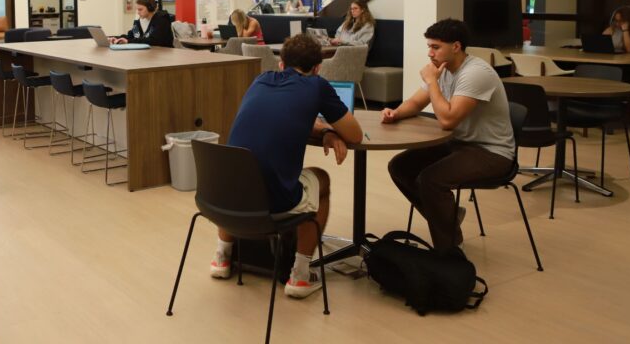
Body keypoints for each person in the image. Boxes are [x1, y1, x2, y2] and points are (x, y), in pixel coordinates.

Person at [210, 34, 363, 298]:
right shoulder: (316, 86)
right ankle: (301, 275)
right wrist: (329, 129)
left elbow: (284, 117)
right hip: (270, 203)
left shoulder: (260, 80)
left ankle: (222, 258)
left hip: (222, 197)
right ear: (317, 68)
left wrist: (321, 130)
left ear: (281, 63)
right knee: (321, 180)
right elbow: (355, 135)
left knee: (241, 171)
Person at [383, 19, 514, 252]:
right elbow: (414, 103)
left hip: (492, 152)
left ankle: (449, 252)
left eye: (436, 47)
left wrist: (432, 81)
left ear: (456, 47)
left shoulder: (475, 73)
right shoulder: (444, 69)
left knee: (431, 180)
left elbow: (447, 120)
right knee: (400, 167)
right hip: (459, 144)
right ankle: (449, 216)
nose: (430, 53)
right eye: (429, 47)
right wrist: (396, 113)